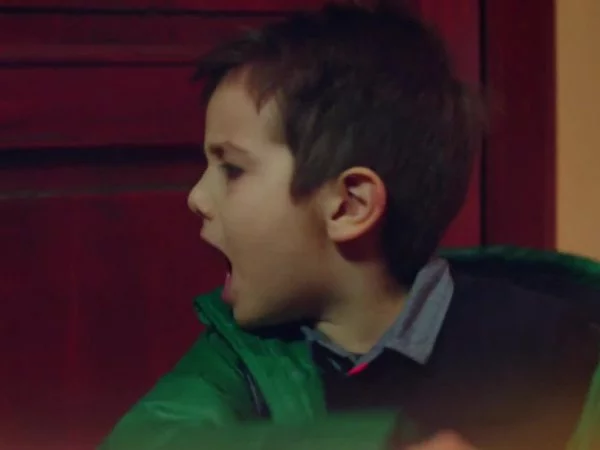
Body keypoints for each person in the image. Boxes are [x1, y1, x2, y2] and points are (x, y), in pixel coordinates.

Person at [99, 2, 600, 450]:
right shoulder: (241, 356)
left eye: (231, 169)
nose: (196, 197)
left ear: (348, 206)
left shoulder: (559, 347)